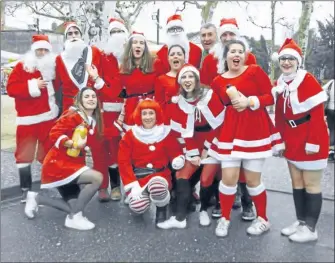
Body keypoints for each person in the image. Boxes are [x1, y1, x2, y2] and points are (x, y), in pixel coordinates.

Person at [208, 40, 284, 237]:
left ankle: (263, 219)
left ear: (245, 56)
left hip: (254, 132)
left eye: (240, 52)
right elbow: (216, 109)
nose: (237, 55)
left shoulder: (254, 72)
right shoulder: (218, 81)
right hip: (229, 134)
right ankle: (224, 218)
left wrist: (250, 101)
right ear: (226, 56)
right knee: (228, 178)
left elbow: (270, 97)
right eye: (232, 51)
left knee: (252, 180)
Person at [272, 38, 329, 243]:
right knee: (296, 182)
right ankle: (301, 222)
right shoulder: (280, 83)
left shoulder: (308, 80)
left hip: (311, 137)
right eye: (283, 58)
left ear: (298, 61)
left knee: (311, 184)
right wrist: (278, 140)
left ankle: (311, 229)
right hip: (291, 137)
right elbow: (279, 115)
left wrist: (313, 142)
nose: (286, 62)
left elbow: (317, 114)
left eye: (290, 59)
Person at [24, 88, 104, 230]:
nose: (91, 99)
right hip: (59, 165)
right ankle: (75, 217)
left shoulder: (91, 121)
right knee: (97, 178)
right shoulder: (73, 115)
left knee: (72, 205)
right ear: (80, 100)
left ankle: (37, 198)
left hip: (74, 167)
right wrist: (73, 144)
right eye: (87, 97)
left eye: (93, 96)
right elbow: (54, 133)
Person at [156, 64, 226, 229]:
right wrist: (193, 154)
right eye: (184, 78)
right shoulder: (179, 102)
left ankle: (203, 210)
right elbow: (184, 131)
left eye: (190, 77)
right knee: (182, 175)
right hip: (193, 142)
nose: (187, 81)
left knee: (206, 178)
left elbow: (221, 125)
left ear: (197, 79)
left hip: (215, 140)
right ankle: (180, 218)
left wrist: (207, 148)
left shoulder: (210, 96)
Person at [201, 18, 257, 220]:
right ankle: (221, 199)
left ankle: (247, 203)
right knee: (222, 157)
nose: (227, 38)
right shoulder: (210, 60)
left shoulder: (249, 57)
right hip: (220, 117)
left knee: (245, 160)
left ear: (237, 35)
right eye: (223, 34)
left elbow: (256, 87)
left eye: (230, 34)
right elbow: (206, 90)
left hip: (243, 115)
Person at [54, 21, 110, 201]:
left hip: (94, 106)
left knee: (99, 148)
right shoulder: (59, 58)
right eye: (69, 34)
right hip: (70, 108)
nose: (73, 35)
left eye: (76, 32)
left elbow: (104, 77)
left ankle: (103, 187)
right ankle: (75, 184)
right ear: (65, 38)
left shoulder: (94, 53)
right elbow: (55, 86)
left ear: (81, 34)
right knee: (73, 149)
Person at [6, 35, 59, 202]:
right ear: (33, 50)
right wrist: (32, 85)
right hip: (27, 120)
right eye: (39, 50)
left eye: (45, 50)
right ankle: (25, 190)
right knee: (24, 155)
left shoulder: (53, 67)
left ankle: (48, 185)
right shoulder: (23, 66)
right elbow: (11, 88)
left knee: (49, 153)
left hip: (49, 118)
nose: (42, 53)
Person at [118, 99, 185, 226]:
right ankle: (145, 197)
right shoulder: (130, 135)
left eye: (151, 113)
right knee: (138, 206)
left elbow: (175, 151)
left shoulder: (165, 132)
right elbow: (123, 162)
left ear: (157, 115)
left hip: (160, 175)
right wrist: (132, 185)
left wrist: (178, 159)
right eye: (144, 113)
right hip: (139, 178)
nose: (148, 117)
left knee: (157, 187)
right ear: (139, 115)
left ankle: (161, 209)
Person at [99, 17, 129, 201]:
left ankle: (132, 187)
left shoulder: (133, 55)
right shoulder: (104, 56)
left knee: (130, 148)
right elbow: (97, 83)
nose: (117, 36)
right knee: (111, 148)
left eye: (120, 32)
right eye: (113, 32)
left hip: (131, 109)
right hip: (109, 111)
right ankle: (115, 186)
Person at [117, 31, 157, 131]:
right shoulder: (123, 68)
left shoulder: (155, 64)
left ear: (145, 47)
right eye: (135, 42)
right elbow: (119, 92)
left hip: (150, 108)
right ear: (130, 46)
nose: (138, 45)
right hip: (131, 109)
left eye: (141, 43)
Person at [154, 44, 185, 110]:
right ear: (168, 58)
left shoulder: (192, 77)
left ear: (184, 57)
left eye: (179, 54)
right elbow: (159, 105)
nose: (175, 56)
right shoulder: (161, 79)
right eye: (172, 54)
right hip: (169, 119)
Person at [322, 79, 334, 161]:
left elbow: (322, 90)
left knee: (332, 130)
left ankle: (331, 152)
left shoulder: (332, 82)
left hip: (330, 110)